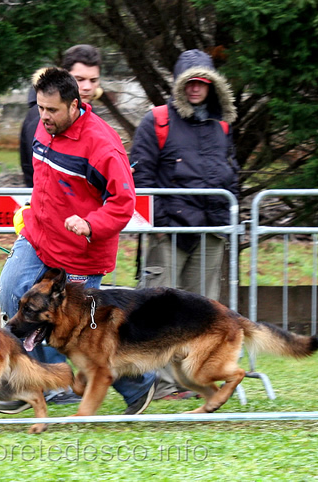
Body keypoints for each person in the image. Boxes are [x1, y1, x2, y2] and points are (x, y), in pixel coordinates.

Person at [0, 67, 157, 415]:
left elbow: (123, 202)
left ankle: (139, 384)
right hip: (38, 235)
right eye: (40, 108)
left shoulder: (102, 145)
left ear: (74, 105)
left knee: (76, 332)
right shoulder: (42, 126)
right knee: (11, 294)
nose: (44, 117)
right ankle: (40, 380)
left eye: (52, 110)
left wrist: (90, 223)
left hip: (81, 252)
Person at [131, 49, 238, 400]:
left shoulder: (221, 125)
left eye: (202, 82)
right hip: (170, 232)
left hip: (209, 232)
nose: (196, 88)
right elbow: (141, 176)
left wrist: (226, 221)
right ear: (179, 84)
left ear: (212, 85)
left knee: (201, 312)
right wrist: (160, 221)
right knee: (159, 312)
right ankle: (161, 385)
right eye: (189, 81)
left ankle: (191, 380)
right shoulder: (157, 120)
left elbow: (230, 173)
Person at [20, 44, 103, 187]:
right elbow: (44, 172)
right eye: (80, 79)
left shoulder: (89, 114)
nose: (87, 87)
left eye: (93, 80)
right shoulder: (40, 116)